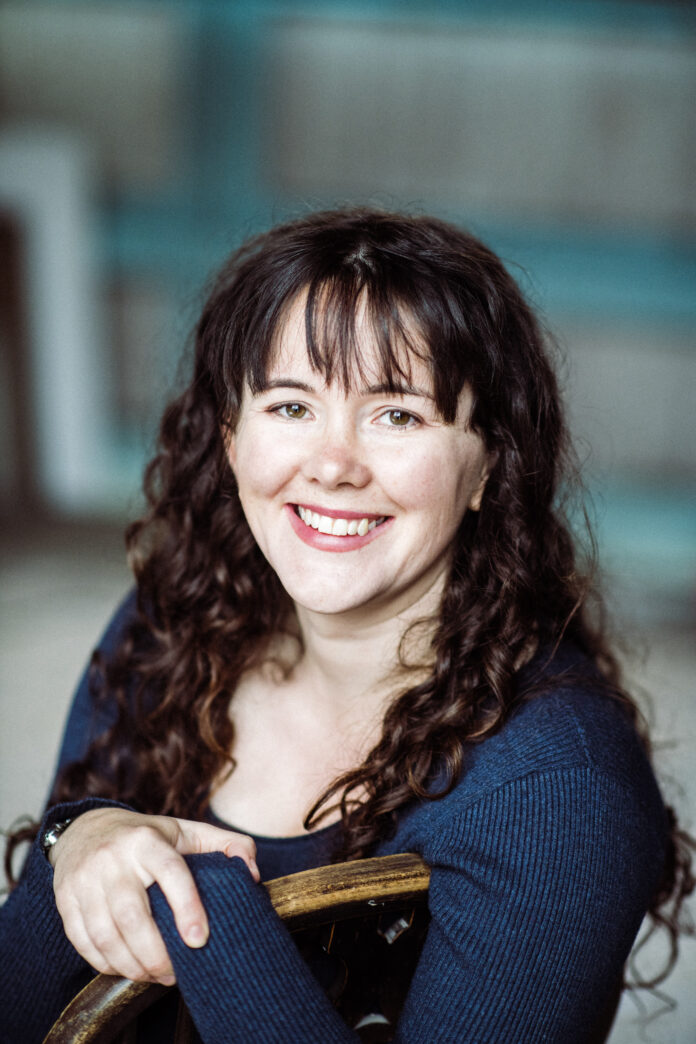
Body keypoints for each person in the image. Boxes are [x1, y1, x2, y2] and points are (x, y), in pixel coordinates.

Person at [1, 207, 691, 1043]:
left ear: (488, 467)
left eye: (396, 414)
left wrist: (200, 897)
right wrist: (78, 839)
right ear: (229, 436)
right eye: (290, 406)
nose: (332, 463)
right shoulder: (172, 625)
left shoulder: (556, 789)